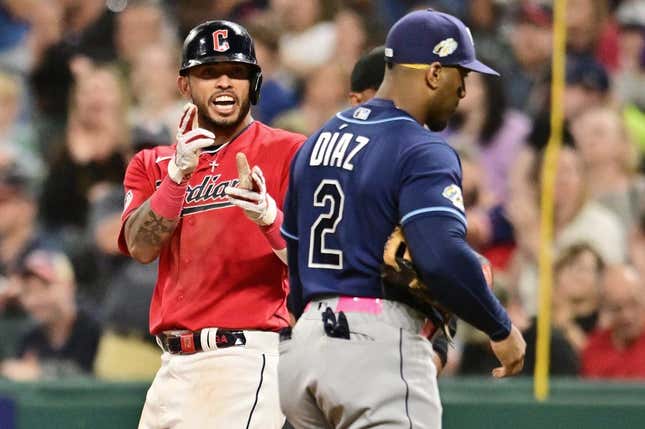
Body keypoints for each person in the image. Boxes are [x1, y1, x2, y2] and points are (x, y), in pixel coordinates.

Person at [278, 9, 526, 428]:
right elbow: (441, 256)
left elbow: (294, 253)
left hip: (303, 350)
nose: (464, 89)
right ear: (432, 73)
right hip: (372, 348)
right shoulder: (422, 147)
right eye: (459, 74)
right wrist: (501, 329)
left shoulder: (319, 138)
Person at [118, 20, 304, 428]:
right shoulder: (153, 163)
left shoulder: (291, 152)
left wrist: (271, 220)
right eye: (209, 72)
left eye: (236, 73)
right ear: (185, 85)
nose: (224, 83)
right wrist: (175, 181)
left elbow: (317, 261)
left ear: (254, 84)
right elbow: (140, 247)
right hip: (171, 365)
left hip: (244, 357)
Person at [1, 249, 101, 381]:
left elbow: (104, 381)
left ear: (69, 286)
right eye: (27, 292)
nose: (34, 300)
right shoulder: (30, 338)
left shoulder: (96, 331)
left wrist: (40, 373)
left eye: (44, 288)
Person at [581, 264, 645, 379]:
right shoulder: (593, 350)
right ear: (604, 309)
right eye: (617, 308)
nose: (627, 316)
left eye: (633, 304)